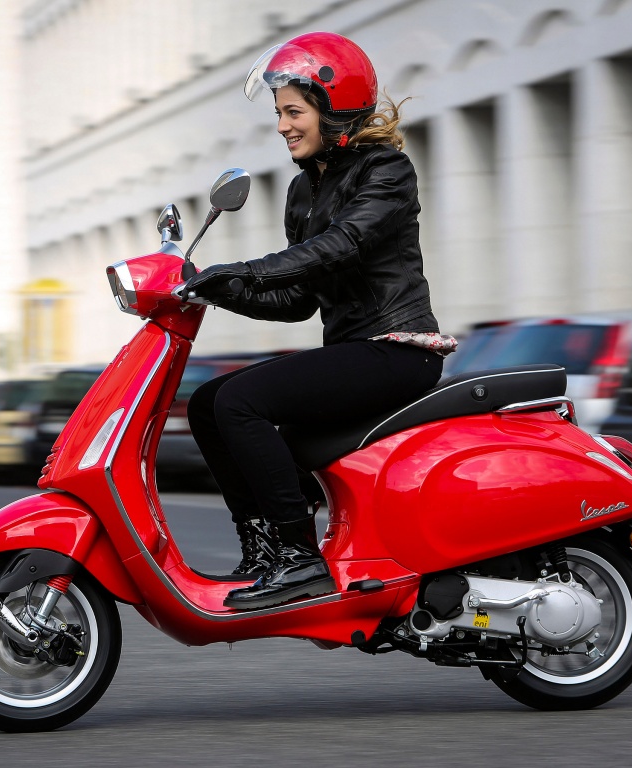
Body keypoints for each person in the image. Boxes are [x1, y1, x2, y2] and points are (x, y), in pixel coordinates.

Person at [183, 31, 455, 610]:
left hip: (398, 350)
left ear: (335, 108)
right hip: (353, 352)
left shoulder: (387, 170)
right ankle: (264, 550)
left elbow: (344, 243)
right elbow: (298, 301)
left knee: (241, 403)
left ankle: (299, 557)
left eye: (293, 112)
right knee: (207, 403)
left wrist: (247, 270)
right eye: (279, 114)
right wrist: (215, 289)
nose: (282, 126)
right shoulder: (303, 190)